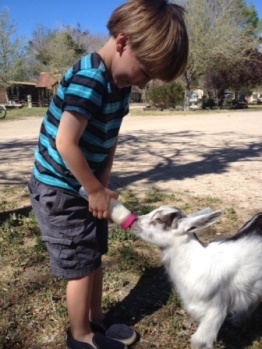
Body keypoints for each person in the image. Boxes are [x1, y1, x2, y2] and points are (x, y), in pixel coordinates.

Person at [28, 1, 189, 348]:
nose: (145, 83)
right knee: (80, 265)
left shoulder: (120, 86)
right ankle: (80, 336)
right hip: (58, 187)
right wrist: (93, 189)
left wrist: (101, 184)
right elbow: (65, 142)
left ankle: (96, 322)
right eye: (146, 72)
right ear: (122, 42)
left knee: (93, 255)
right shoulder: (90, 78)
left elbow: (110, 137)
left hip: (84, 184)